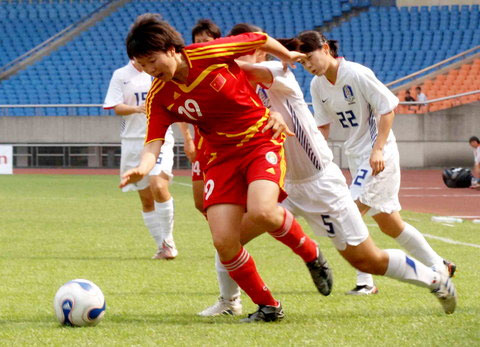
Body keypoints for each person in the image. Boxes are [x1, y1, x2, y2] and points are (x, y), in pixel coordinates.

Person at [121, 14, 328, 323]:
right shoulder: (159, 96)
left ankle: (311, 254)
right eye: (143, 65)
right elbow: (153, 142)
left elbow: (258, 39)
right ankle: (268, 306)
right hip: (220, 158)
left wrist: (286, 56)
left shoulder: (208, 53)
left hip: (260, 140)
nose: (152, 71)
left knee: (261, 211)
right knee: (223, 241)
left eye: (153, 61)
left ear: (171, 49)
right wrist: (143, 167)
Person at [296, 30, 456, 312]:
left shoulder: (356, 73)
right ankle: (439, 265)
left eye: (310, 58)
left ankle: (365, 281)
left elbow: (388, 108)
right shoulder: (317, 85)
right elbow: (322, 126)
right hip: (355, 155)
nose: (308, 66)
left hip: (377, 157)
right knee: (389, 223)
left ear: (325, 48)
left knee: (348, 212)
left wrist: (378, 149)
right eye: (303, 63)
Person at [103, 60, 180, 260]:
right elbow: (116, 106)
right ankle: (161, 246)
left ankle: (169, 241)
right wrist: (137, 109)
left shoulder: (160, 70)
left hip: (160, 136)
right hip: (131, 140)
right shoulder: (121, 75)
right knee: (146, 199)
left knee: (158, 184)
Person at [190, 19, 222, 214]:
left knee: (227, 202)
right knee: (200, 203)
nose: (201, 45)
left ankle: (229, 241)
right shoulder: (188, 71)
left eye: (206, 40)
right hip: (200, 145)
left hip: (222, 146)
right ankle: (228, 242)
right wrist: (187, 139)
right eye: (198, 41)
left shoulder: (226, 67)